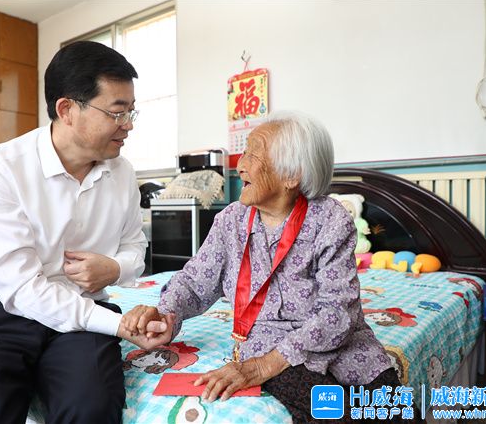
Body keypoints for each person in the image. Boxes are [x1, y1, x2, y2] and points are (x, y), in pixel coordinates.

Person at [122, 112, 412, 423]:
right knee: (334, 413)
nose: (240, 165)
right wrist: (167, 313)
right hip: (270, 349)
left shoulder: (331, 220)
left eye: (253, 154)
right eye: (243, 152)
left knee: (394, 412)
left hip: (342, 347)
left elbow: (338, 312)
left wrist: (263, 366)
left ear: (292, 175)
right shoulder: (230, 221)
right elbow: (195, 281)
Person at [0, 41, 173, 424]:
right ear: (66, 109)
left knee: (91, 407)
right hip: (4, 310)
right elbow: (21, 288)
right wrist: (119, 325)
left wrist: (115, 268)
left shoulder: (122, 172)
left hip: (86, 312)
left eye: (131, 112)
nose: (129, 125)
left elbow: (135, 246)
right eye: (117, 112)